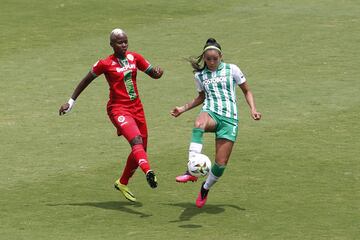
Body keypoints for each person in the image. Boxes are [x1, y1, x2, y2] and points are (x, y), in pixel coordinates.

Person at [59, 28, 163, 202]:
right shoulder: (105, 63)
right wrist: (70, 102)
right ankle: (149, 172)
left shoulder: (134, 57)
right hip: (118, 109)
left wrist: (159, 73)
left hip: (137, 108)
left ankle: (122, 182)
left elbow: (153, 73)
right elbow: (86, 81)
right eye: (119, 42)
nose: (123, 45)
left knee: (141, 149)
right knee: (136, 141)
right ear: (111, 44)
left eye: (125, 42)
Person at [171, 38, 261, 208]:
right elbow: (201, 98)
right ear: (204, 58)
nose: (211, 62)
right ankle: (191, 170)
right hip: (211, 112)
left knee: (220, 164)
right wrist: (182, 109)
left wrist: (253, 109)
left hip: (229, 119)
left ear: (221, 56)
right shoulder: (200, 75)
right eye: (208, 59)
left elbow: (247, 91)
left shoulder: (232, 69)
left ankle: (205, 188)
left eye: (215, 58)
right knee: (199, 123)